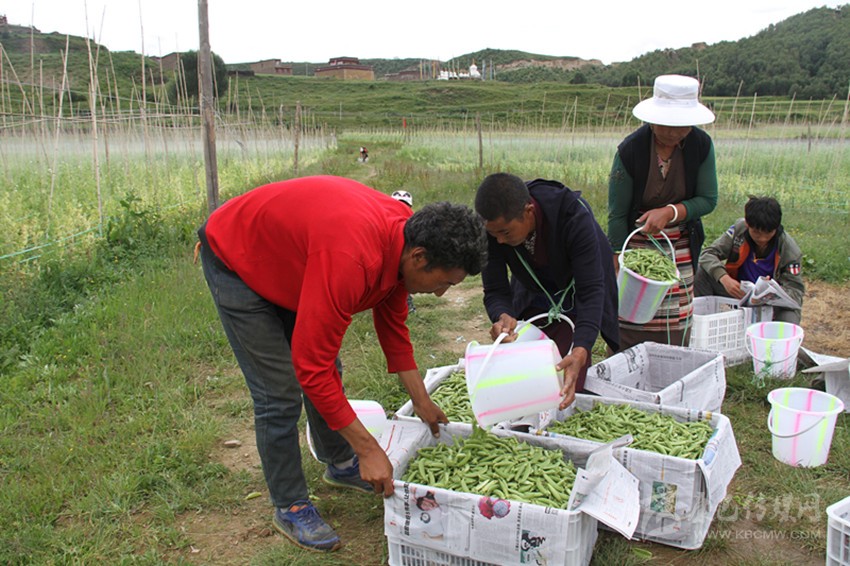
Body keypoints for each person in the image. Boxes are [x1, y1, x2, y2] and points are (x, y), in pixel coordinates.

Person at [196, 175, 487, 552]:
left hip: (294, 261)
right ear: (419, 257)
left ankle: (338, 461)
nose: (441, 293)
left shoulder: (406, 237)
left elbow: (394, 331)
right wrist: (368, 449)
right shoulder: (352, 258)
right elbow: (311, 368)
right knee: (279, 393)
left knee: (330, 369)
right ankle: (290, 504)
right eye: (444, 282)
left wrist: (421, 400)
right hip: (238, 258)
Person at [474, 173, 619, 409]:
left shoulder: (572, 216)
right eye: (493, 234)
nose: (499, 241)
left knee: (565, 379)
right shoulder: (493, 228)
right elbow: (495, 288)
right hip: (534, 285)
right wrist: (502, 315)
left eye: (505, 233)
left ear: (529, 212)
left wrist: (581, 349)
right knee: (527, 376)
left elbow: (591, 290)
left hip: (577, 283)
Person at [608, 74, 718, 351]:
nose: (672, 133)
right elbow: (618, 213)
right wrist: (617, 255)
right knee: (631, 314)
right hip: (637, 242)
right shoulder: (631, 151)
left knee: (675, 317)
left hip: (678, 243)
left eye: (680, 127)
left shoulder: (701, 146)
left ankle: (671, 364)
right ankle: (625, 363)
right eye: (666, 125)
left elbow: (708, 199)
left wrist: (670, 212)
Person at [695, 196, 804, 324]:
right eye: (756, 232)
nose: (762, 238)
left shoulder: (790, 250)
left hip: (769, 302)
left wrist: (771, 292)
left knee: (790, 317)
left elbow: (796, 292)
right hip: (738, 291)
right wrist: (724, 279)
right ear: (747, 224)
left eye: (768, 232)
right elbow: (708, 254)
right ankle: (708, 321)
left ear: (776, 227)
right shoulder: (739, 230)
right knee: (701, 272)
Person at [392, 190, 417, 313]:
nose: (401, 208)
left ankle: (407, 304)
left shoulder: (413, 221)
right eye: (398, 204)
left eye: (404, 205)